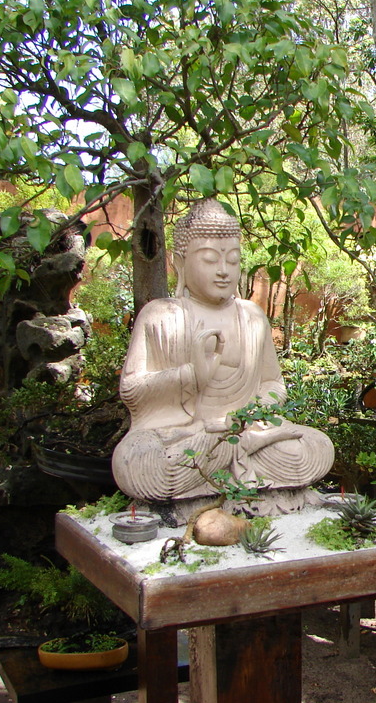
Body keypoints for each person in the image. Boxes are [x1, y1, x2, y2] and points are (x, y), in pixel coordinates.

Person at [112, 199, 334, 507]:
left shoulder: (252, 316)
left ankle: (234, 458)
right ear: (180, 263)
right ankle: (235, 463)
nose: (223, 272)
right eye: (209, 260)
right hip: (184, 436)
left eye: (232, 260)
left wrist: (248, 415)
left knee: (315, 447)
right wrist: (191, 375)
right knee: (140, 463)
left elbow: (273, 383)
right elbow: (131, 389)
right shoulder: (160, 315)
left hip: (246, 430)